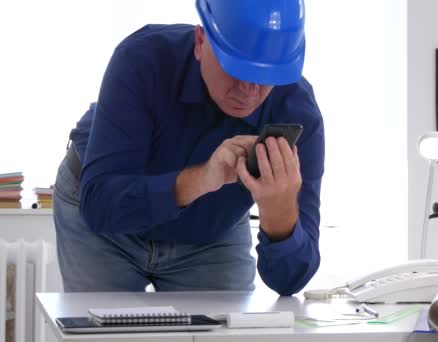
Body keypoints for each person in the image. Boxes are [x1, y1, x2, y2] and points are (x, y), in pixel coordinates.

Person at [52, 0, 324, 296]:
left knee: (228, 333)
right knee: (102, 333)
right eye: (235, 68)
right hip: (107, 221)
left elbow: (289, 283)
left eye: (265, 76)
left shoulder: (298, 111)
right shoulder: (142, 59)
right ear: (200, 40)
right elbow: (101, 206)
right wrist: (201, 179)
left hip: (211, 230)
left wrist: (279, 214)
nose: (248, 91)